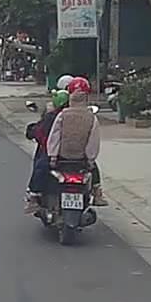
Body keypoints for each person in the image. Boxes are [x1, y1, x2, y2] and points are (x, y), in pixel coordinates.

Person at [46, 77, 106, 206]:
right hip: (82, 160)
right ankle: (97, 194)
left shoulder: (63, 115)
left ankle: (36, 197)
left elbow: (54, 137)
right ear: (86, 97)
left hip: (62, 158)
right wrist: (90, 160)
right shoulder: (91, 117)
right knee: (94, 172)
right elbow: (93, 142)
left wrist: (53, 156)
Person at [24, 89, 68, 213]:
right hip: (76, 155)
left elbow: (39, 134)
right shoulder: (79, 115)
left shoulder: (52, 117)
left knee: (40, 167)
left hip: (53, 155)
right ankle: (97, 191)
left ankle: (33, 196)